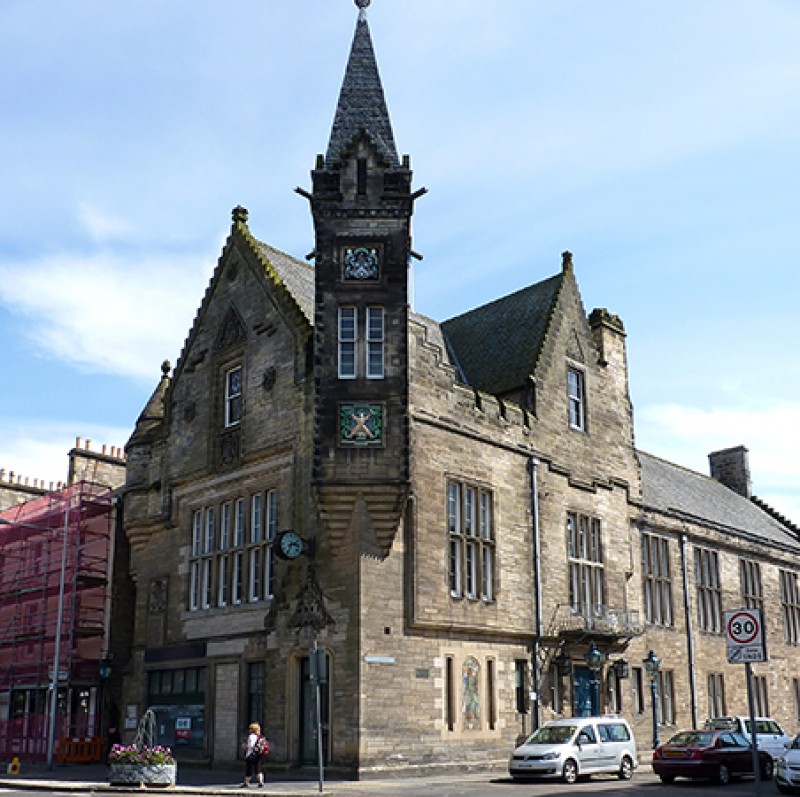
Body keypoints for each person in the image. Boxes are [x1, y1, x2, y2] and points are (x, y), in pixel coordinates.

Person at [241, 722, 265, 787]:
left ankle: (246, 782)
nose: (249, 730)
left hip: (251, 755)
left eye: (250, 728)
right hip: (258, 755)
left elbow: (251, 746)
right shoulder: (260, 736)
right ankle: (260, 782)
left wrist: (245, 746)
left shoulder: (251, 736)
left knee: (248, 769)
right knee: (258, 769)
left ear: (252, 729)